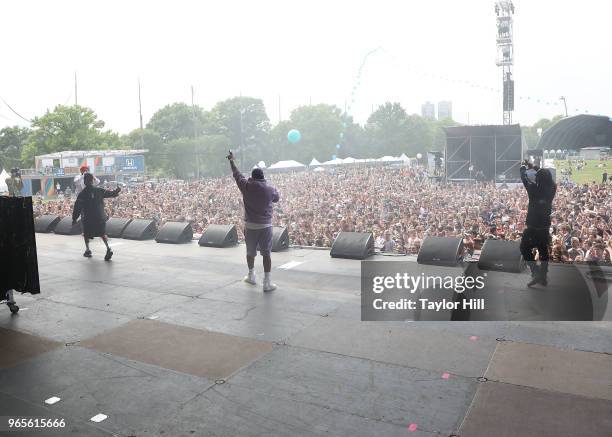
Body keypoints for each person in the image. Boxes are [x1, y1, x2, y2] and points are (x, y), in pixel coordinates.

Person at [227, 150, 279, 292]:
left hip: (250, 225)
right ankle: (267, 283)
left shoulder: (246, 186)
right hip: (265, 225)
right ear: (263, 177)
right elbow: (276, 198)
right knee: (266, 253)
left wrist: (231, 160)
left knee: (250, 252)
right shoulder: (269, 189)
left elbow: (237, 174)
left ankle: (251, 276)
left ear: (252, 177)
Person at [519, 160, 557, 286]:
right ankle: (543, 276)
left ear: (539, 179)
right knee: (543, 250)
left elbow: (524, 177)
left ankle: (535, 272)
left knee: (524, 248)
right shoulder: (552, 187)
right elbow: (544, 174)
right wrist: (533, 167)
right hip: (545, 225)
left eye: (536, 176)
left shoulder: (533, 189)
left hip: (533, 226)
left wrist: (523, 168)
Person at [72, 173, 121, 260]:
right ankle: (108, 249)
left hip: (88, 219)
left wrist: (74, 218)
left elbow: (77, 207)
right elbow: (111, 194)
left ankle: (88, 250)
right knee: (102, 233)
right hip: (100, 218)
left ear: (84, 181)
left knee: (86, 234)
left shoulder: (82, 194)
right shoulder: (99, 190)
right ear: (92, 181)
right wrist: (117, 191)